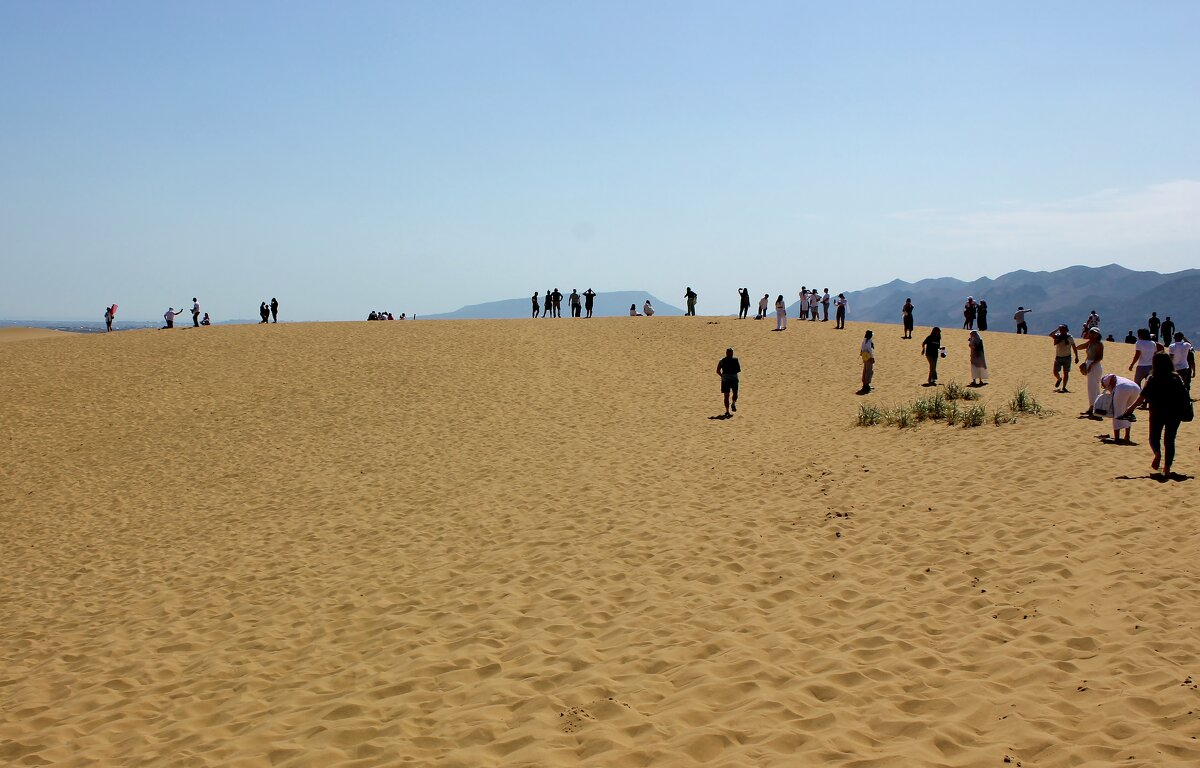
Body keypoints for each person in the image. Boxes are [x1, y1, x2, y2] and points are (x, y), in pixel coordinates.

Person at [1121, 353, 1190, 475]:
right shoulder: (1176, 377)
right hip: (1175, 413)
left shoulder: (1153, 378)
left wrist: (1130, 409)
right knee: (1170, 440)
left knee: (1154, 437)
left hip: (1157, 412)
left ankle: (1157, 453)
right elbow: (1184, 394)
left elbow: (1142, 397)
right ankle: (1167, 468)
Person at [1100, 373, 1140, 443]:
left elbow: (1112, 376)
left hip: (1123, 388)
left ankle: (1117, 438)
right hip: (1136, 388)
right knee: (1127, 412)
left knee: (1117, 412)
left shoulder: (1104, 379)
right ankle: (1127, 436)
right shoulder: (1121, 379)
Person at [1076, 327, 1104, 417]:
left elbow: (1100, 357)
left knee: (1094, 387)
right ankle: (1092, 407)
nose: (1092, 334)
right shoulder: (1090, 343)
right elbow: (1078, 348)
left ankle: (1095, 408)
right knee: (1091, 387)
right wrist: (1088, 340)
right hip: (1090, 364)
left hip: (1095, 366)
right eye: (1091, 333)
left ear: (1098, 335)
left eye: (1094, 333)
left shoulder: (1099, 344)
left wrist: (1091, 365)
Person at [1049, 325, 1080, 392]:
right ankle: (1059, 379)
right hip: (1058, 357)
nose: (1061, 331)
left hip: (1067, 357)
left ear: (1066, 330)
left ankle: (1064, 387)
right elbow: (1050, 335)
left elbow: (1074, 347)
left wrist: (1076, 357)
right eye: (1061, 329)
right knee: (1055, 371)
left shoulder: (1070, 337)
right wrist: (1057, 329)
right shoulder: (1057, 336)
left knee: (1066, 373)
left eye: (1063, 329)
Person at [717, 347, 741, 417]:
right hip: (728, 380)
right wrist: (722, 376)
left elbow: (738, 370)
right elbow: (718, 370)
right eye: (729, 353)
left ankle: (733, 404)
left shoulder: (735, 360)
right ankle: (727, 411)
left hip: (731, 379)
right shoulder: (722, 361)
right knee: (727, 396)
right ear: (726, 353)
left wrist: (723, 376)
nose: (730, 354)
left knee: (734, 394)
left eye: (731, 353)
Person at [859, 330, 875, 394]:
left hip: (864, 357)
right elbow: (870, 351)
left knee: (865, 370)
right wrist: (872, 358)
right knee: (869, 371)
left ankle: (865, 384)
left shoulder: (864, 340)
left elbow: (862, 349)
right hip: (868, 357)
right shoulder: (868, 342)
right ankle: (866, 386)